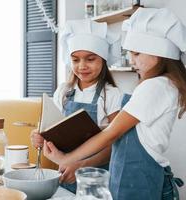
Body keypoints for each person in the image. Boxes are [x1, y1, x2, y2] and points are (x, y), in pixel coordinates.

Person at [43, 7, 186, 200]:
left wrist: (68, 159)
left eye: (136, 53)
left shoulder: (154, 87)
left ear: (158, 53)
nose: (131, 59)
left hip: (139, 179)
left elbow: (112, 133)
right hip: (129, 176)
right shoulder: (164, 85)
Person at [31, 19, 122, 193]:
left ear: (102, 59)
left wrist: (80, 165)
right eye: (75, 59)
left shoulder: (111, 95)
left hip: (97, 178)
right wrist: (38, 137)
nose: (82, 66)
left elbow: (115, 145)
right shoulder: (64, 91)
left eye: (90, 59)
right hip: (64, 173)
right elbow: (51, 129)